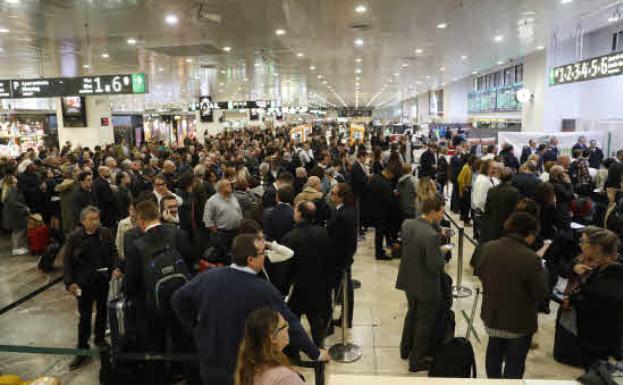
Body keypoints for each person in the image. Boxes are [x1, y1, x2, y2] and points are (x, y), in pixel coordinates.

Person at [172, 233, 330, 385]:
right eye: (262, 253)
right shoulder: (263, 290)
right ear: (251, 259)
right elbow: (289, 323)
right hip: (243, 368)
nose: (265, 256)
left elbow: (178, 299)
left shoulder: (208, 276)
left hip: (210, 364)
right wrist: (315, 353)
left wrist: (195, 327)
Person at [123, 200, 198, 385]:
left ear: (140, 221)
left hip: (152, 308)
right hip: (181, 302)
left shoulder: (136, 246)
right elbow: (192, 261)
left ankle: (162, 378)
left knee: (155, 347)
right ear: (158, 214)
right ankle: (186, 376)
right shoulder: (178, 234)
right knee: (184, 343)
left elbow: (130, 285)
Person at [476, 212, 549, 379]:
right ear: (529, 234)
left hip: (492, 315)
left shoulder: (488, 247)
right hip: (518, 321)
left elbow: (480, 272)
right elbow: (541, 293)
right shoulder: (531, 258)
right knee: (514, 364)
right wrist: (543, 272)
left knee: (493, 352)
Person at [396, 195, 448, 372]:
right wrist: (443, 251)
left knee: (411, 314)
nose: (443, 215)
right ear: (433, 212)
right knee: (424, 323)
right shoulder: (432, 236)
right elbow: (434, 265)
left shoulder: (407, 224)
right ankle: (417, 361)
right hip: (426, 284)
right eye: (441, 212)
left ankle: (405, 349)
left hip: (409, 280)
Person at [63, 206, 117, 370]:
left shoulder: (105, 233)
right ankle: (82, 349)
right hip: (83, 284)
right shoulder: (74, 238)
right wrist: (69, 282)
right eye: (91, 219)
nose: (95, 222)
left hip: (101, 281)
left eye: (97, 219)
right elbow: (67, 262)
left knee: (102, 312)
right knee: (84, 317)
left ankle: (100, 339)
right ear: (82, 221)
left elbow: (113, 252)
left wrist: (115, 267)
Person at [565, 228, 623, 368]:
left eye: (584, 242)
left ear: (596, 248)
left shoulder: (614, 275)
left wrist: (575, 301)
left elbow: (600, 305)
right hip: (590, 335)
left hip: (599, 339)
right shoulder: (601, 268)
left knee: (595, 372)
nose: (581, 245)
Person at [282, 201, 335, 346]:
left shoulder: (289, 237)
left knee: (294, 322)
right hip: (319, 286)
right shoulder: (323, 233)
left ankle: (295, 352)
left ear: (299, 214)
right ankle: (319, 349)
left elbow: (286, 268)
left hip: (297, 288)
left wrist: (284, 289)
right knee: (316, 321)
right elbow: (330, 260)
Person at [234, 307, 305, 385]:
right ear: (273, 338)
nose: (287, 329)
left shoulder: (247, 368)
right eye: (284, 326)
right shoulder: (285, 377)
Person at [327, 183, 358, 329]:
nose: (330, 195)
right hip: (344, 257)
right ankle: (346, 317)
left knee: (345, 289)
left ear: (341, 197)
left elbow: (338, 241)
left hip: (341, 259)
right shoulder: (345, 210)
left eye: (333, 193)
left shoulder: (343, 215)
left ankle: (346, 319)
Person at [203, 179, 244, 262]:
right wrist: (216, 232)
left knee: (236, 257)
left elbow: (239, 212)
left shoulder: (233, 197)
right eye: (227, 185)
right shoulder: (212, 201)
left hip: (236, 233)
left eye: (230, 184)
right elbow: (207, 219)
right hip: (222, 235)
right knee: (224, 258)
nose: (230, 186)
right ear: (220, 188)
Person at [480, 167, 521, 243]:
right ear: (512, 177)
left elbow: (487, 208)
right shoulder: (515, 192)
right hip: (507, 226)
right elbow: (516, 210)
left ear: (500, 177)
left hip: (493, 224)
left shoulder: (492, 190)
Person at [367, 167, 396, 260]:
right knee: (380, 232)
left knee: (379, 231)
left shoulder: (375, 178)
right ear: (389, 173)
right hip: (382, 211)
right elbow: (389, 201)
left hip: (373, 208)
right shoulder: (385, 183)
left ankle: (379, 250)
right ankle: (379, 253)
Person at [1, 174, 30, 255]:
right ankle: (15, 248)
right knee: (19, 230)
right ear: (10, 180)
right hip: (14, 213)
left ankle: (17, 247)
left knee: (16, 231)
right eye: (13, 177)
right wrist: (24, 207)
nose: (15, 178)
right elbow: (13, 202)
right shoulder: (12, 189)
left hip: (14, 212)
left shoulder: (10, 188)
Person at [457, 154, 474, 226]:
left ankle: (465, 219)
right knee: (465, 206)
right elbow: (460, 179)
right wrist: (464, 188)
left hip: (468, 188)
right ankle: (465, 221)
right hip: (465, 189)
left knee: (467, 206)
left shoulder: (469, 167)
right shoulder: (466, 167)